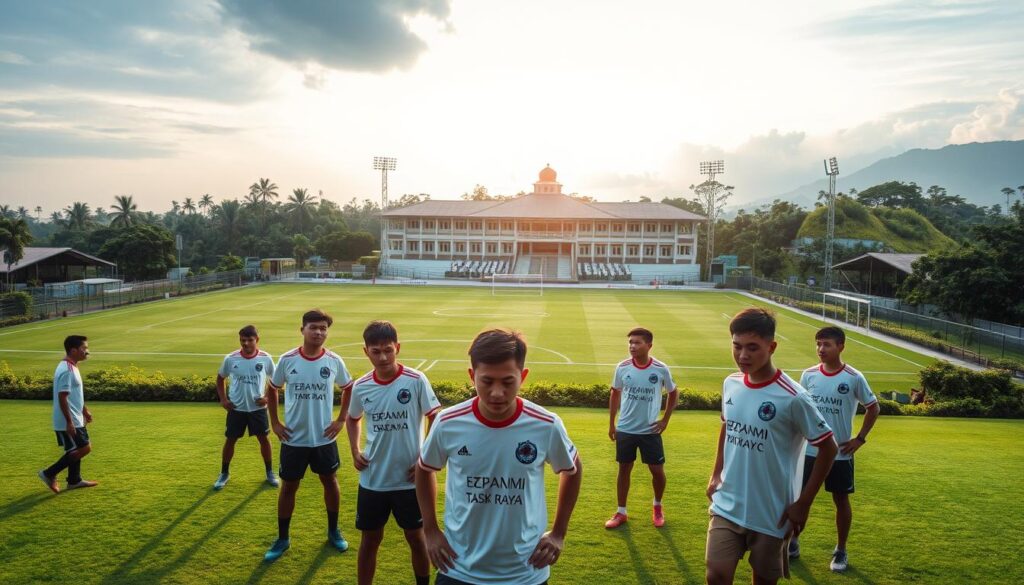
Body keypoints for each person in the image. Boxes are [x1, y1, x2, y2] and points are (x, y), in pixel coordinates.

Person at [416, 328, 583, 585]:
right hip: (458, 568)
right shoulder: (447, 422)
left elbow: (572, 468)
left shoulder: (545, 425)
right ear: (472, 376)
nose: (496, 393)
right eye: (486, 381)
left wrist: (559, 532)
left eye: (507, 382)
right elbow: (424, 468)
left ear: (523, 376)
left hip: (525, 572)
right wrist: (430, 530)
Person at [706, 308, 838, 585]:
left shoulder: (794, 397)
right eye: (737, 346)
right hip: (728, 503)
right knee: (716, 575)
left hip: (772, 512)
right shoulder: (731, 383)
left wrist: (803, 503)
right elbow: (727, 425)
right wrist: (715, 473)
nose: (743, 356)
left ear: (772, 346)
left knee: (763, 580)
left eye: (752, 348)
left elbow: (829, 448)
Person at [346, 320, 441, 585]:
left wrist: (425, 459)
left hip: (410, 480)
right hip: (373, 478)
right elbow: (352, 419)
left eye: (388, 349)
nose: (383, 356)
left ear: (397, 347)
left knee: (416, 537)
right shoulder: (362, 386)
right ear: (366, 352)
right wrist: (355, 450)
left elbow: (436, 417)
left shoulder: (415, 380)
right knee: (370, 539)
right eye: (376, 351)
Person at [263, 309, 354, 562]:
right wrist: (275, 423)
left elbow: (348, 387)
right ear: (302, 329)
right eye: (313, 327)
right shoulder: (288, 359)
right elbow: (272, 388)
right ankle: (283, 538)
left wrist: (341, 420)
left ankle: (334, 532)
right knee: (289, 486)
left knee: (330, 481)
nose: (319, 332)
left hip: (324, 438)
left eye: (323, 328)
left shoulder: (334, 360)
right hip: (293, 438)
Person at [789, 326, 880, 572]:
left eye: (827, 344)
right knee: (802, 498)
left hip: (839, 454)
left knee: (841, 500)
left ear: (841, 346)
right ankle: (793, 541)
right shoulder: (808, 375)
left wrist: (859, 439)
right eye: (818, 344)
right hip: (809, 451)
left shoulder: (853, 377)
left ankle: (841, 550)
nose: (821, 349)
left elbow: (873, 407)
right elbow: (800, 410)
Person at [604, 327, 678, 529]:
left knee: (657, 471)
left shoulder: (661, 369)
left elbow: (673, 393)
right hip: (626, 429)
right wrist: (612, 424)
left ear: (649, 345)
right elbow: (615, 394)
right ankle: (621, 512)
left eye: (637, 342)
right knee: (624, 469)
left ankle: (657, 506)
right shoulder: (623, 367)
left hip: (650, 431)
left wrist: (665, 420)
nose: (632, 346)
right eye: (630, 343)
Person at [213, 324, 279, 490]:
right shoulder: (231, 358)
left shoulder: (265, 358)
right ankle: (224, 473)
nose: (246, 344)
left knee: (264, 439)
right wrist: (223, 400)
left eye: (250, 340)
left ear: (257, 340)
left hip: (257, 410)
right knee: (230, 440)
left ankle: (270, 472)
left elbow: (277, 381)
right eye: (243, 340)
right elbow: (220, 378)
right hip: (236, 409)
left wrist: (266, 398)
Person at [39, 335, 98, 494]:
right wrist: (69, 422)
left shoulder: (72, 366)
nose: (87, 352)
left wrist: (84, 410)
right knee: (85, 448)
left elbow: (74, 394)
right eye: (84, 349)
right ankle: (48, 473)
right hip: (69, 420)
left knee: (76, 448)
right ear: (73, 350)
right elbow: (62, 396)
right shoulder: (67, 369)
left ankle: (74, 480)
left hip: (75, 417)